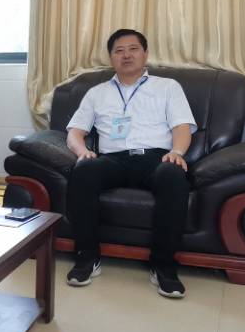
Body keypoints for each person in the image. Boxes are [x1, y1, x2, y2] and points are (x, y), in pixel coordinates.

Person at [65, 29, 196, 299]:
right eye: (119, 50)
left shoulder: (168, 87)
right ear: (111, 57)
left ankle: (164, 267)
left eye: (133, 49)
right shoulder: (96, 93)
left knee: (173, 175)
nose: (126, 55)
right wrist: (82, 152)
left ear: (145, 54)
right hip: (113, 159)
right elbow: (74, 132)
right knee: (84, 170)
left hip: (157, 157)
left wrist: (177, 152)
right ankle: (87, 258)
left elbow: (182, 127)